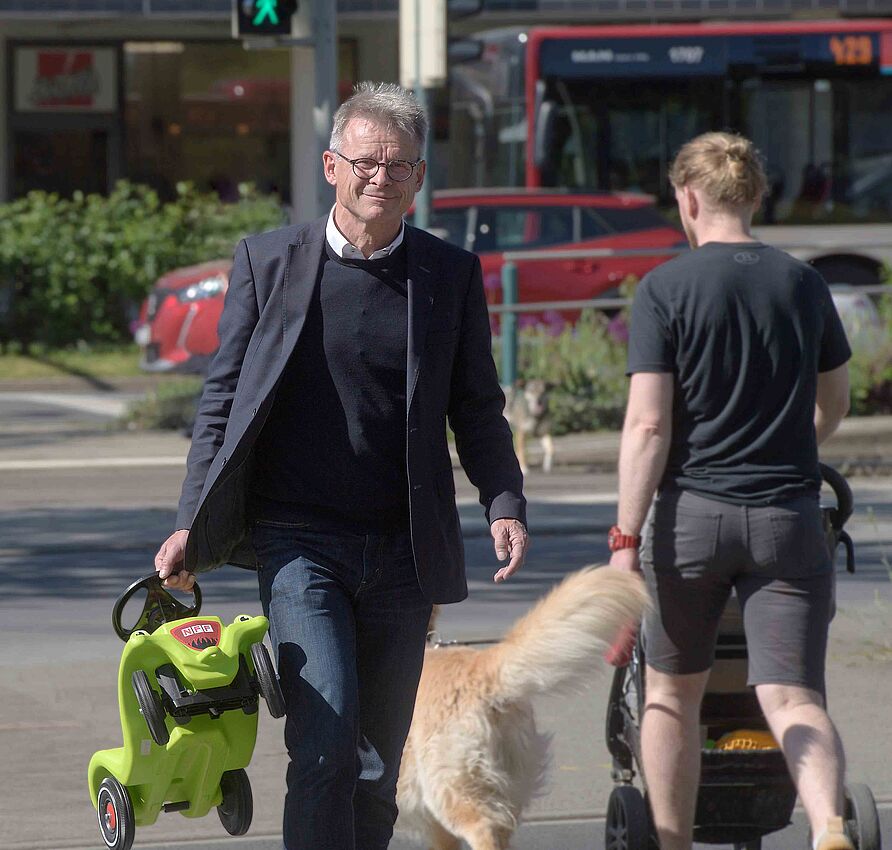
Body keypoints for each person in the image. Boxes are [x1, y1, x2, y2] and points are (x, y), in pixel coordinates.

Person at [153, 81, 529, 850]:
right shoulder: (270, 262)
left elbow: (477, 406)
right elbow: (221, 401)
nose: (378, 179)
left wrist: (504, 501)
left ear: (419, 179)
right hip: (298, 545)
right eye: (363, 162)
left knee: (374, 766)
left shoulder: (447, 276)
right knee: (324, 746)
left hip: (401, 550)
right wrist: (191, 522)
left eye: (397, 167)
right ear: (331, 166)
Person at [606, 131, 853, 850]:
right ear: (754, 197)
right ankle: (830, 824)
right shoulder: (803, 283)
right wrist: (791, 443)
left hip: (691, 520)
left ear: (688, 199)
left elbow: (648, 425)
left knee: (672, 694)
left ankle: (672, 840)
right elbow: (833, 404)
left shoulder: (664, 288)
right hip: (787, 515)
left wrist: (625, 540)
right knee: (792, 694)